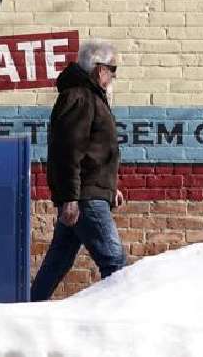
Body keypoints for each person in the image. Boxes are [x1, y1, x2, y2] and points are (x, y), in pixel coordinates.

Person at [30, 39, 127, 301]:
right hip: (85, 198)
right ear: (99, 69)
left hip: (88, 192)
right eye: (113, 69)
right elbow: (68, 151)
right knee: (115, 263)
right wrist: (70, 198)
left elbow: (93, 152)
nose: (114, 75)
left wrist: (109, 187)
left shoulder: (89, 96)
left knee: (57, 263)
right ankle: (121, 319)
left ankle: (28, 311)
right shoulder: (80, 97)